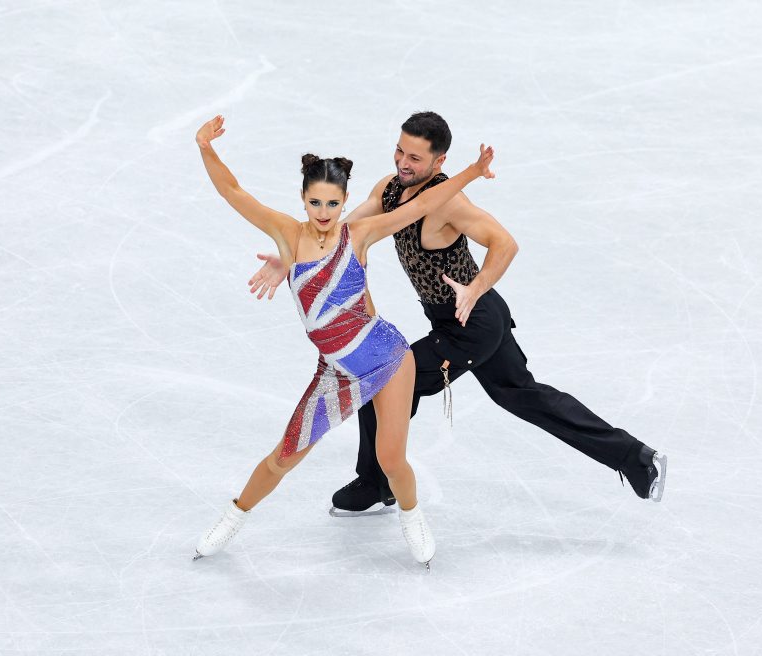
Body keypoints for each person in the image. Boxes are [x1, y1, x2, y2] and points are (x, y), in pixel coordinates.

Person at [248, 111, 667, 516]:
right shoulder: (390, 188)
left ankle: (375, 483)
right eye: (400, 151)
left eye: (415, 157)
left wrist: (475, 288)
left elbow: (505, 243)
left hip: (473, 322)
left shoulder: (449, 203)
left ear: (439, 161)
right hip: (463, 320)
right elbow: (338, 234)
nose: (403, 163)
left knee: (382, 377)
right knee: (523, 395)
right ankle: (637, 458)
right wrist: (294, 257)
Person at [191, 114, 495, 567]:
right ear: (303, 199)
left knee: (391, 460)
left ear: (345, 201)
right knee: (283, 456)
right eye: (315, 202)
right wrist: (205, 147)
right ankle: (233, 517)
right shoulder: (287, 234)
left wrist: (471, 171)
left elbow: (420, 206)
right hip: (335, 372)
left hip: (389, 359)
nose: (323, 212)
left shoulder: (360, 235)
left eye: (333, 203)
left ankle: (412, 517)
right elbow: (233, 192)